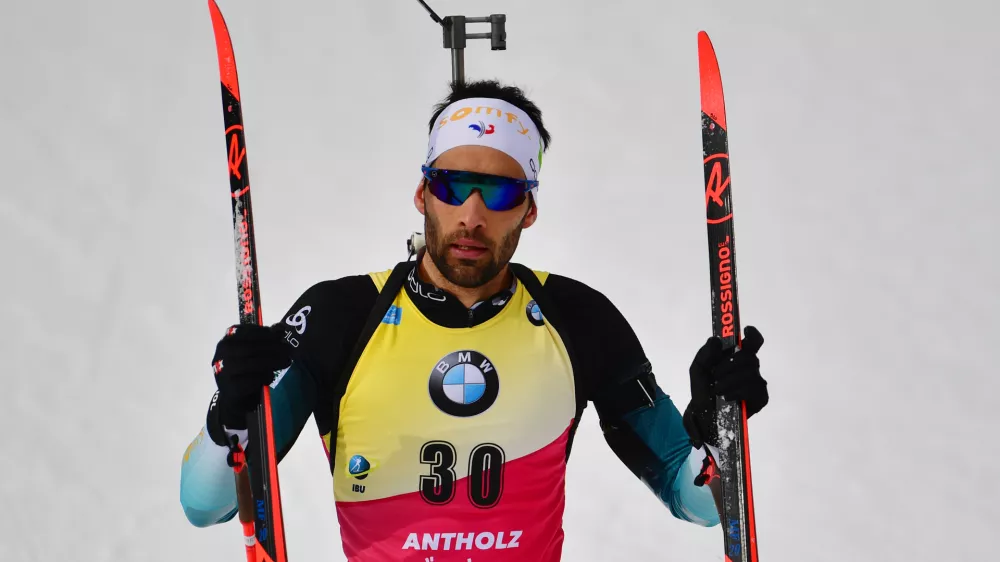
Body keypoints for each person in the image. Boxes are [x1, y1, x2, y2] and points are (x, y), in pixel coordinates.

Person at [179, 79, 770, 562]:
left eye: (500, 193)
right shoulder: (341, 317)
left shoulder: (578, 320)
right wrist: (227, 416)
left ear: (529, 209)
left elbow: (701, 503)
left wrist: (719, 430)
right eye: (452, 184)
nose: (472, 214)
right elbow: (205, 505)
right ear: (422, 194)